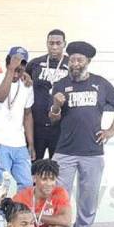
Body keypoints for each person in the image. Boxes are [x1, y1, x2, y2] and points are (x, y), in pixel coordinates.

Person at [49, 41, 114, 227]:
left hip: (92, 151)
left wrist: (111, 130)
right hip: (64, 150)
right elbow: (53, 118)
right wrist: (57, 105)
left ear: (87, 62)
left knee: (88, 197)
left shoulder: (100, 84)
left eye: (79, 60)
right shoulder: (60, 85)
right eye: (72, 59)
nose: (75, 63)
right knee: (58, 195)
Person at [0, 47, 35, 189]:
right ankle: (0, 212)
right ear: (7, 64)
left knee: (26, 184)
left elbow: (28, 114)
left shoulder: (27, 86)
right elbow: (0, 97)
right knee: (2, 185)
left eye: (20, 70)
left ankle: (20, 212)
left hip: (19, 143)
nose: (16, 74)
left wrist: (30, 143)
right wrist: (10, 71)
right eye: (14, 69)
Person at [12, 159, 70, 227]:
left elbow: (66, 220)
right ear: (34, 178)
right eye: (44, 179)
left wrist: (37, 215)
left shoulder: (60, 192)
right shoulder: (21, 197)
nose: (49, 183)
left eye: (52, 179)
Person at [26, 29, 69, 160]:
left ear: (64, 44)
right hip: (36, 127)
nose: (54, 47)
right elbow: (25, 75)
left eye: (58, 43)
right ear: (47, 44)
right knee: (33, 167)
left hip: (60, 128)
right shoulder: (35, 63)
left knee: (57, 169)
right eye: (51, 43)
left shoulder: (70, 65)